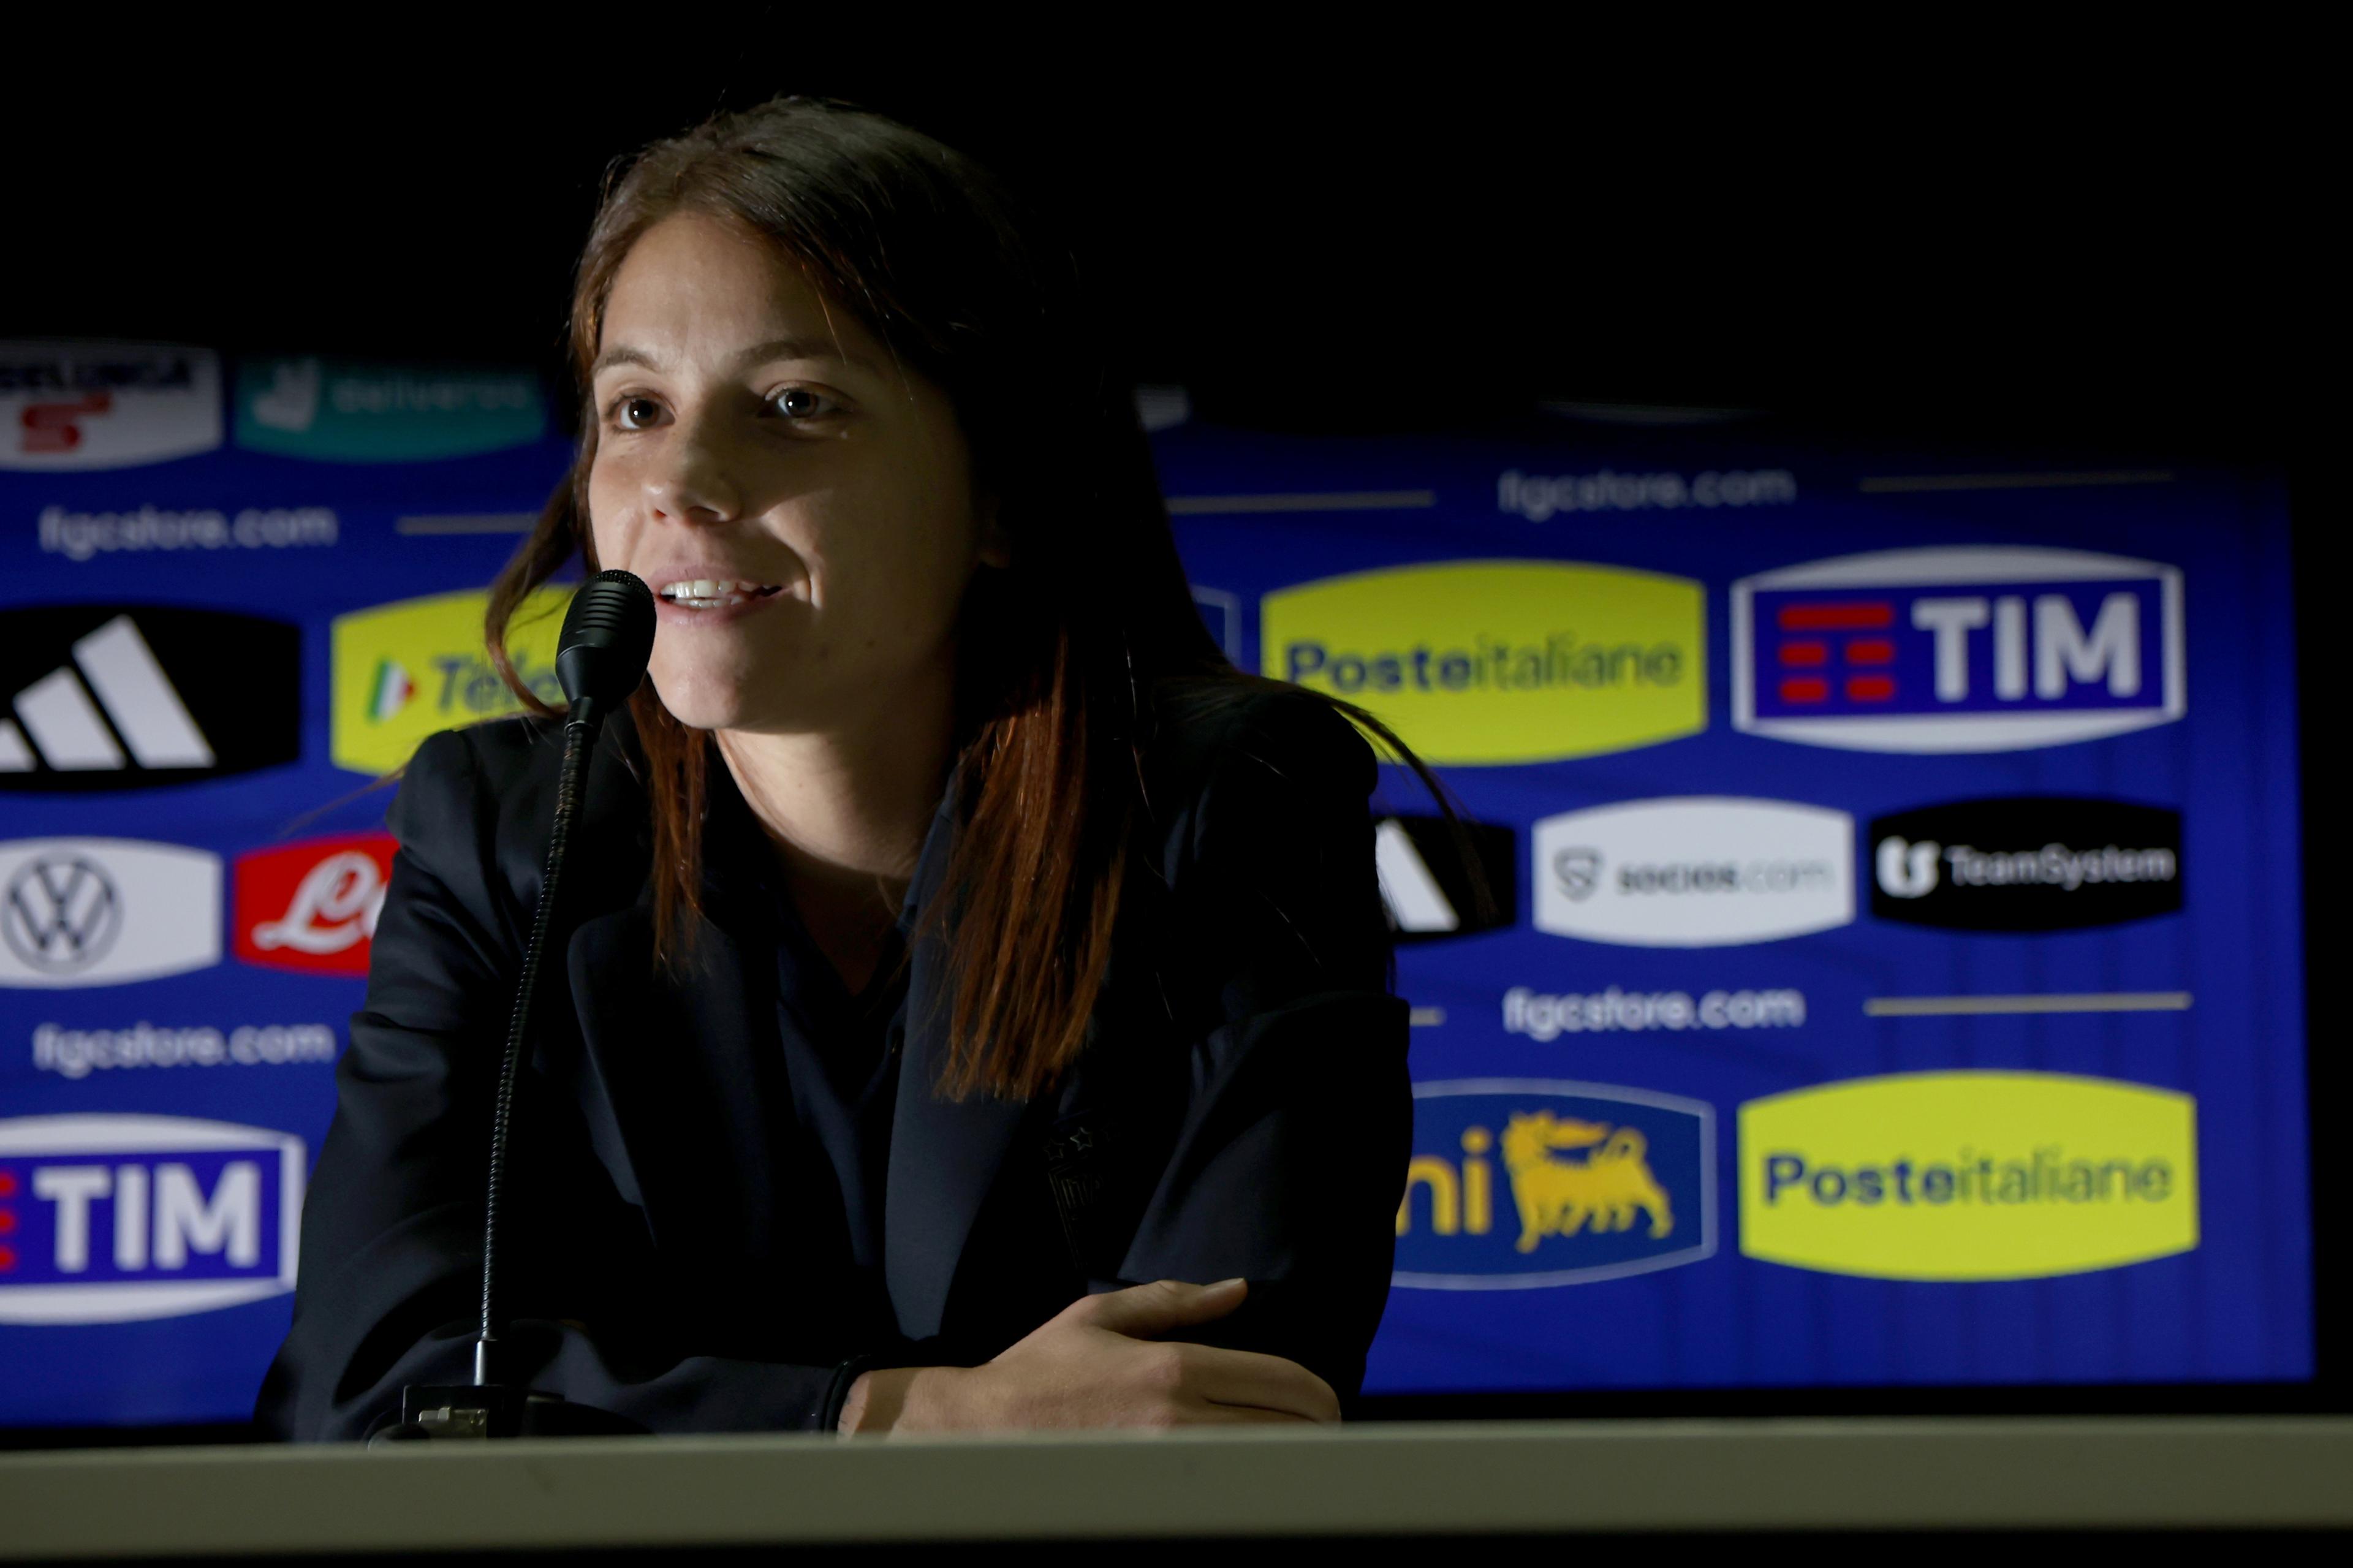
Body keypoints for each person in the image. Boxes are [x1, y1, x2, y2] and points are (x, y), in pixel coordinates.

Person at [259, 96, 1423, 1440]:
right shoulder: (501, 832)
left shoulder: (1232, 804)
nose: (682, 483)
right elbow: (367, 1393)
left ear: (1004, 491)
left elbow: (1211, 1407)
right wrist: (899, 1417)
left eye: (795, 404)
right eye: (636, 406)